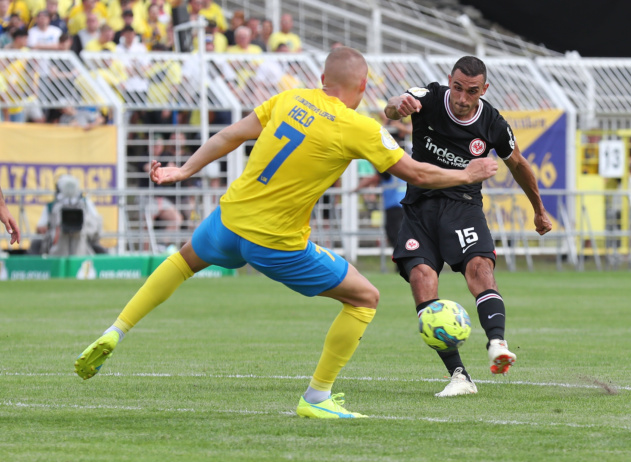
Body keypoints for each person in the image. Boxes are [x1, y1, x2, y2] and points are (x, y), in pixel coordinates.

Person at [73, 46, 498, 419]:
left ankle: (116, 330)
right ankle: (317, 396)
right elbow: (416, 171)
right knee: (365, 299)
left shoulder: (289, 99)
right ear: (364, 86)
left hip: (228, 219)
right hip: (275, 243)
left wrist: (183, 169)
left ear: (321, 80)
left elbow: (229, 135)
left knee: (182, 262)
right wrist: (468, 171)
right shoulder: (358, 127)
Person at [384, 55, 552, 397]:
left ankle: (497, 344)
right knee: (421, 278)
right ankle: (459, 375)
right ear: (449, 80)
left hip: (462, 208)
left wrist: (538, 209)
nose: (462, 98)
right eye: (457, 88)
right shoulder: (429, 97)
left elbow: (518, 164)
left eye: (471, 91)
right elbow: (392, 107)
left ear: (484, 89)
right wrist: (396, 106)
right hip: (419, 207)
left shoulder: (492, 123)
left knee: (479, 269)